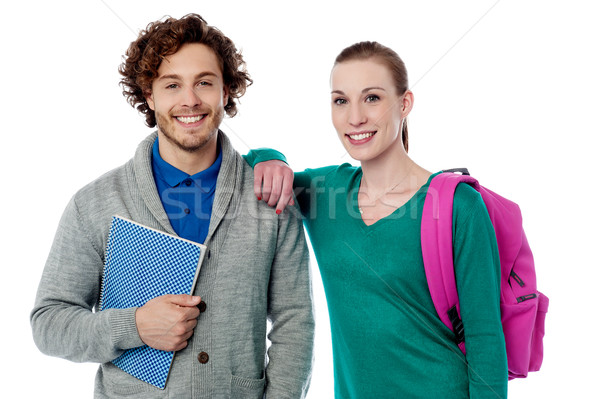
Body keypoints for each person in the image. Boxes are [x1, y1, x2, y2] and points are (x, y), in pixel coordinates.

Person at [30, 14, 314, 399]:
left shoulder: (268, 198)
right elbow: (49, 324)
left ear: (226, 91)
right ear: (149, 95)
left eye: (204, 82)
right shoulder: (94, 204)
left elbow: (295, 323)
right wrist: (135, 326)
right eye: (172, 84)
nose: (190, 100)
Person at [250, 41, 508, 398]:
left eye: (372, 98)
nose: (355, 117)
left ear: (404, 103)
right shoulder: (326, 193)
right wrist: (272, 156)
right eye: (341, 100)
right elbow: (250, 164)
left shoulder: (459, 206)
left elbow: (485, 339)